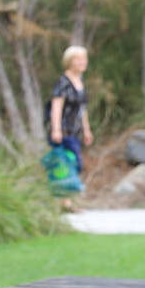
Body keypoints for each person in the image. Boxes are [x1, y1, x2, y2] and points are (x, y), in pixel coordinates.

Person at [48, 46, 93, 205]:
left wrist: (87, 130)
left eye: (84, 59)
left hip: (76, 131)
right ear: (69, 61)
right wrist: (56, 129)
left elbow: (82, 109)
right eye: (78, 59)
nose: (82, 62)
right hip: (63, 131)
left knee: (73, 164)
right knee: (67, 164)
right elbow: (56, 107)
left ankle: (66, 201)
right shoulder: (64, 82)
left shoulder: (79, 82)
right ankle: (65, 201)